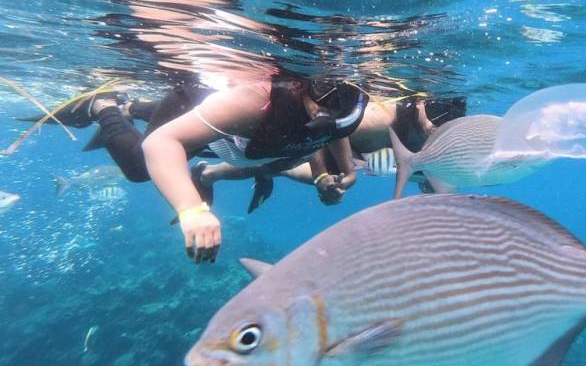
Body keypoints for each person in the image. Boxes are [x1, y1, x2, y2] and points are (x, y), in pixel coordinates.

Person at [37, 75, 368, 263]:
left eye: (346, 96)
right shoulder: (254, 101)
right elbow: (161, 144)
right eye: (325, 91)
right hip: (202, 109)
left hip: (239, 141)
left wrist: (336, 173)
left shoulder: (343, 110)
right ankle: (106, 106)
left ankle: (132, 106)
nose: (333, 105)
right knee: (141, 167)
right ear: (302, 85)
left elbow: (336, 131)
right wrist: (190, 209)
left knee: (267, 158)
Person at [196, 94, 467, 199]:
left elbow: (433, 185)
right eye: (435, 113)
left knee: (273, 168)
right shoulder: (378, 120)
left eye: (446, 123)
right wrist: (325, 175)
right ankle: (207, 172)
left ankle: (209, 173)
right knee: (274, 165)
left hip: (358, 155)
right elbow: (320, 135)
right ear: (420, 104)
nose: (435, 126)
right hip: (328, 141)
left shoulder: (446, 142)